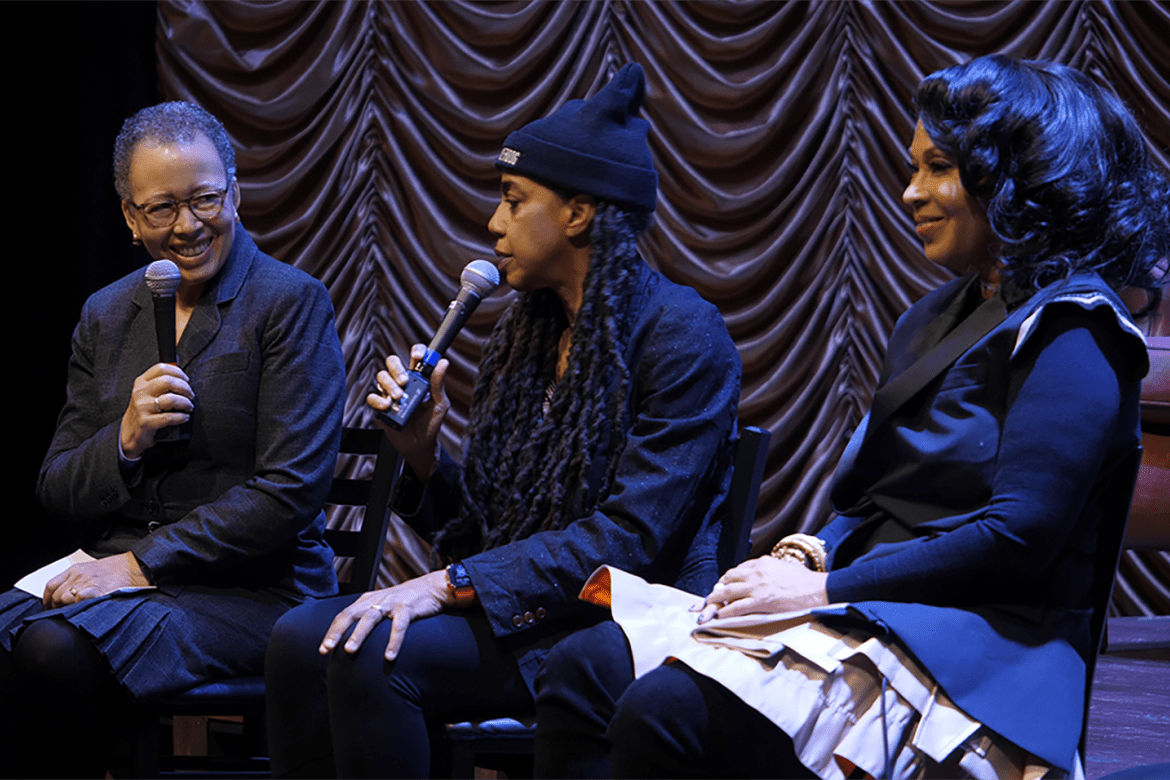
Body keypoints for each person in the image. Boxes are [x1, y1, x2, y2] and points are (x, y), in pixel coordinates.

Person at [539, 55, 1170, 780]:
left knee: (672, 711)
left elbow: (1016, 540)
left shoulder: (1075, 332)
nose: (910, 192)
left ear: (1017, 179)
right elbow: (871, 501)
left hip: (984, 641)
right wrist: (805, 554)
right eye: (913, 168)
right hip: (872, 603)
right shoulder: (933, 316)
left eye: (938, 168)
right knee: (585, 665)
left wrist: (819, 591)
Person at [263, 62, 741, 779]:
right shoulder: (530, 334)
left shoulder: (682, 334)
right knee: (303, 637)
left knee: (367, 649)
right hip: (528, 613)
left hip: (610, 628)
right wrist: (424, 457)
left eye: (514, 200)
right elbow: (490, 534)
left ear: (579, 213)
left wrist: (442, 584)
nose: (494, 223)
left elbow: (631, 539)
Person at [0, 101, 345, 779]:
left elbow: (289, 491)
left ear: (236, 196)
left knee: (51, 652)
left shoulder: (288, 302)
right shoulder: (105, 313)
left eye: (205, 199)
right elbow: (59, 489)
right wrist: (123, 440)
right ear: (131, 218)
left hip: (256, 591)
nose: (188, 225)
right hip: (128, 582)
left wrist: (134, 567)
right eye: (162, 208)